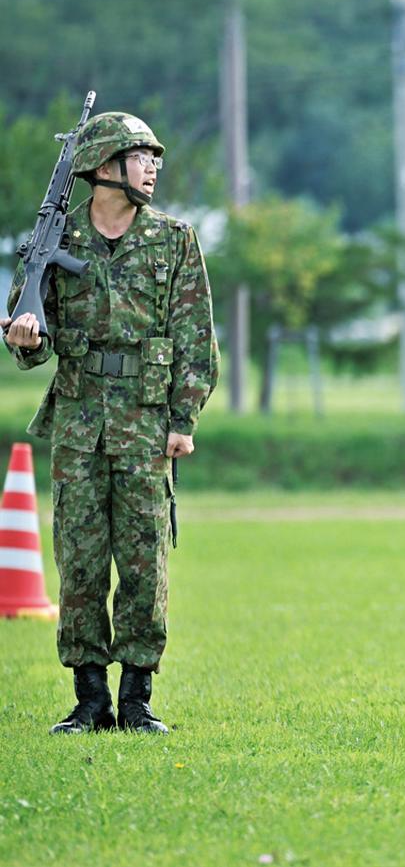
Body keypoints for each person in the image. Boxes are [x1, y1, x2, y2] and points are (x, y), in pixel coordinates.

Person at [2, 111, 219, 734]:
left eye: (155, 156)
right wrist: (23, 337)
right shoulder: (54, 240)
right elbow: (31, 341)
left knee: (145, 560)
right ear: (103, 168)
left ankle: (138, 699)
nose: (153, 165)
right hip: (77, 420)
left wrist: (184, 416)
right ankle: (90, 698)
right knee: (80, 561)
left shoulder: (174, 239)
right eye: (140, 155)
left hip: (147, 424)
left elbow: (196, 336)